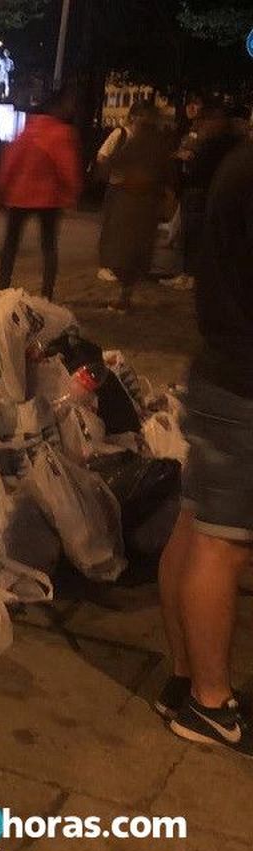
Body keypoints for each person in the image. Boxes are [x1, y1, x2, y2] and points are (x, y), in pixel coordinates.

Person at [155, 140, 253, 757]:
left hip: (222, 370)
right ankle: (210, 705)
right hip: (245, 382)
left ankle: (185, 679)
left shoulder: (240, 160)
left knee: (195, 527)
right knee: (224, 544)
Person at [0, 89, 81, 300]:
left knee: (10, 245)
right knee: (49, 247)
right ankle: (46, 293)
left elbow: (9, 162)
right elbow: (67, 167)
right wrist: (72, 194)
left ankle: (3, 287)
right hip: (49, 199)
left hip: (19, 196)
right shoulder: (61, 133)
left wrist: (1, 190)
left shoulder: (27, 130)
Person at [100, 102, 173, 311]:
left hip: (133, 204)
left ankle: (125, 295)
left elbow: (114, 163)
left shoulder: (146, 142)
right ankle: (126, 293)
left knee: (126, 251)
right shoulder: (155, 143)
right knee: (132, 252)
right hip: (140, 204)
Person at [165, 102, 240, 292]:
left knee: (194, 235)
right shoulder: (225, 142)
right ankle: (189, 273)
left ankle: (191, 275)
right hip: (202, 192)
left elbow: (202, 168)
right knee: (191, 235)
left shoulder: (215, 143)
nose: (201, 125)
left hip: (199, 192)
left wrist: (189, 161)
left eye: (204, 121)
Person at [94, 102, 148, 282]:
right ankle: (105, 265)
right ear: (133, 116)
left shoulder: (144, 139)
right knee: (111, 225)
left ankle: (120, 264)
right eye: (140, 115)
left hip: (132, 188)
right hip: (117, 185)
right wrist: (115, 170)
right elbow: (102, 156)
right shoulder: (120, 133)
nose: (143, 119)